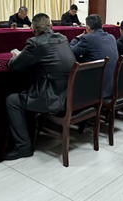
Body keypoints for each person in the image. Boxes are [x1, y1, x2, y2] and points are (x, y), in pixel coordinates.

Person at [5, 13, 76, 160]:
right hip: (69, 95)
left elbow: (15, 66)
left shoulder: (35, 43)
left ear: (33, 29)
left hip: (52, 98)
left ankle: (23, 146)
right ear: (51, 26)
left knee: (12, 101)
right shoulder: (63, 38)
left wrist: (14, 58)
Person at [70, 14, 118, 98]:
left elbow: (71, 51)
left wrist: (76, 38)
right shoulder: (111, 37)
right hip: (111, 87)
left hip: (95, 89)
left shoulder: (88, 38)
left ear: (87, 27)